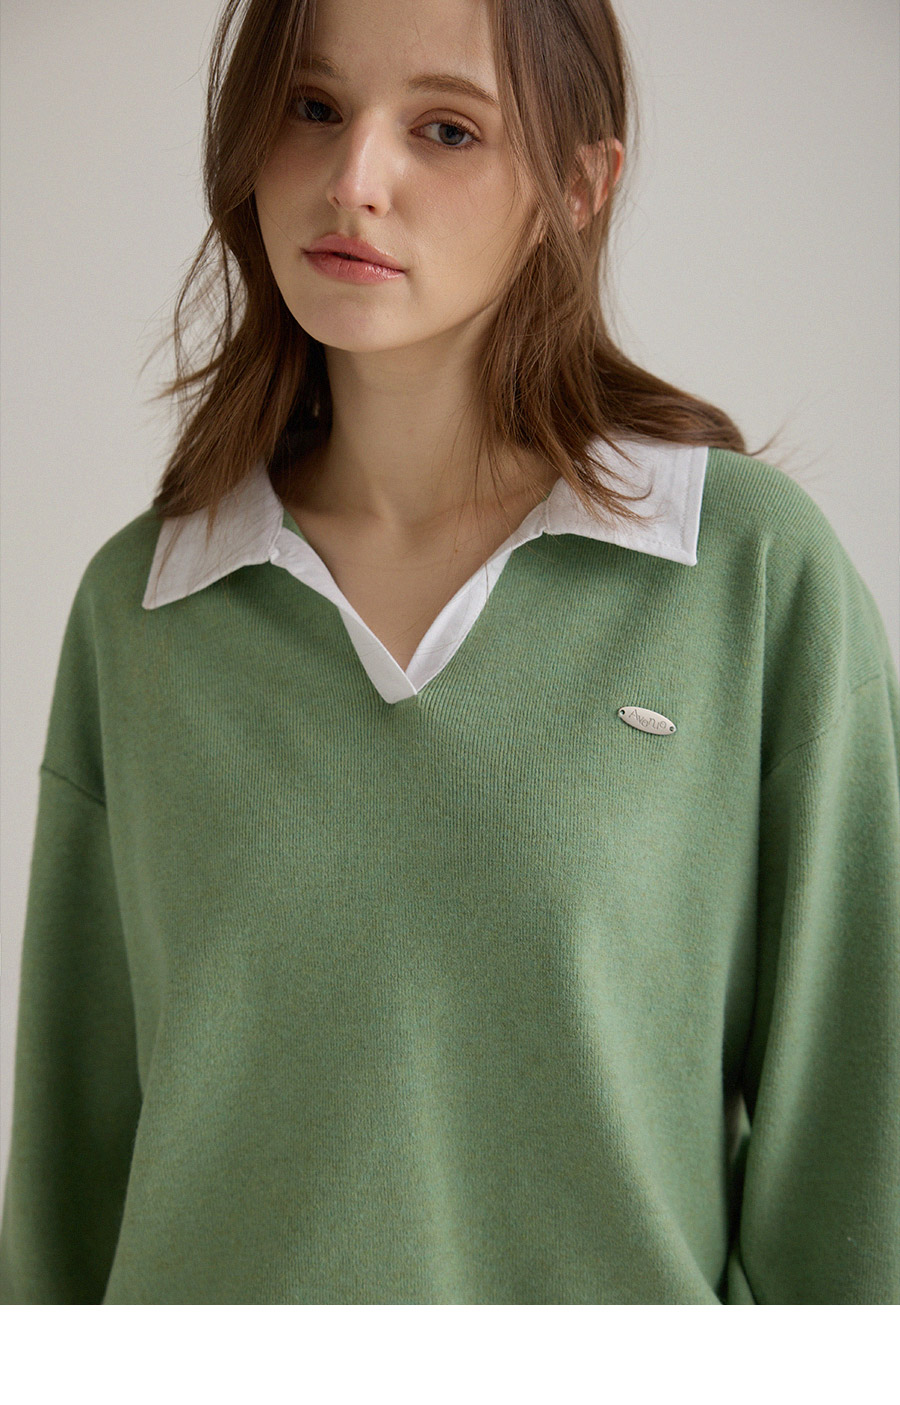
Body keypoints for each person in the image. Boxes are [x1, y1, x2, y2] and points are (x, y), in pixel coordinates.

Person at [0, 0, 897, 1305]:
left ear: (578, 186)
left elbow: (858, 1169)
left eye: (447, 129)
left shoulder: (747, 577)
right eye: (312, 108)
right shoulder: (144, 611)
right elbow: (65, 1191)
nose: (354, 179)